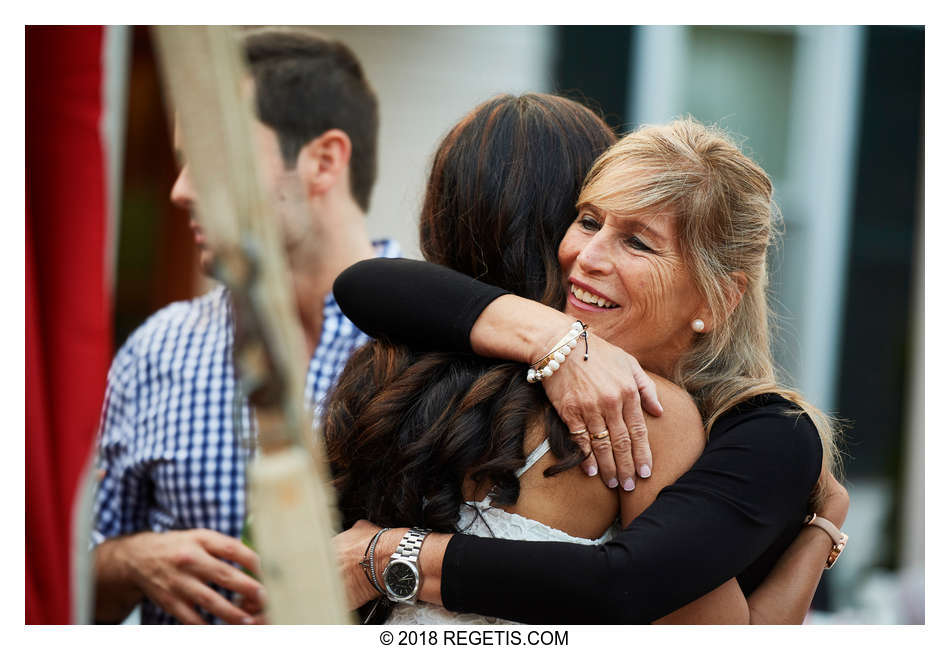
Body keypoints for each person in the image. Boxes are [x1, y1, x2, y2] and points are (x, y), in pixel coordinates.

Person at [327, 100, 849, 623]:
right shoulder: (502, 374)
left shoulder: (759, 428)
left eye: (638, 243)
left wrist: (386, 556)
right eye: (587, 221)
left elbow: (636, 587)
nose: (588, 257)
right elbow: (363, 283)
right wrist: (557, 340)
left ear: (716, 300)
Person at [91, 27, 399, 624]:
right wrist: (128, 560)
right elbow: (59, 594)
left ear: (323, 160)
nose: (179, 192)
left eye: (208, 161)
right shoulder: (156, 348)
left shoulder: (436, 346)